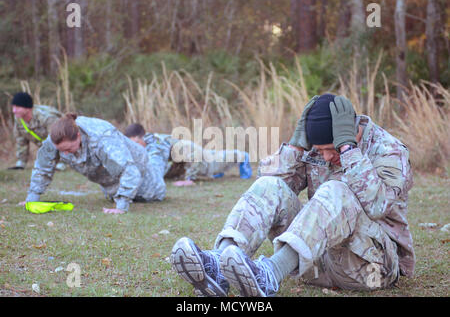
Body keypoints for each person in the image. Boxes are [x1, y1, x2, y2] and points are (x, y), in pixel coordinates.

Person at [170, 94, 415, 297]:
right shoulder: (315, 150)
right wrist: (295, 147)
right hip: (316, 263)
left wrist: (348, 150)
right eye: (321, 150)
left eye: (332, 149)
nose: (327, 157)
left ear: (352, 132)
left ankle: (270, 274)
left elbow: (377, 206)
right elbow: (273, 186)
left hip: (372, 268)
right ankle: (218, 265)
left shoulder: (389, 150)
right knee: (270, 185)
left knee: (336, 190)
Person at [24, 113, 166, 214]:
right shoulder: (54, 140)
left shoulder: (102, 138)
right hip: (113, 184)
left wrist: (121, 207)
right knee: (114, 192)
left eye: (68, 149)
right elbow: (42, 167)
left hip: (145, 179)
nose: (65, 154)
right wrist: (32, 199)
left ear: (78, 136)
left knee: (156, 166)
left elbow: (130, 171)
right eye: (61, 151)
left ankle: (160, 144)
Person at [124, 123, 252, 187]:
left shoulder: (155, 144)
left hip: (191, 152)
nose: (133, 147)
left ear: (140, 138)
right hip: (187, 153)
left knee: (213, 165)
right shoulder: (149, 143)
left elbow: (192, 156)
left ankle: (243, 156)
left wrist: (189, 180)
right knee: (215, 157)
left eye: (134, 142)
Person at [9, 92, 66, 171]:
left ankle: (62, 161)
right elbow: (21, 141)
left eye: (17, 107)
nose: (14, 111)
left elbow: (59, 139)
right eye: (13, 107)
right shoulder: (19, 119)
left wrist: (58, 161)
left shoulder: (46, 117)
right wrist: (21, 163)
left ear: (28, 108)